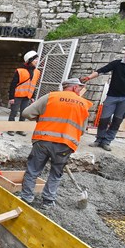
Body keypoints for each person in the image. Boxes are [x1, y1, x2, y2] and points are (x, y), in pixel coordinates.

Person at [19, 78, 92, 209]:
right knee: (56, 173)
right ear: (75, 88)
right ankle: (48, 201)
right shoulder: (84, 104)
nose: (80, 90)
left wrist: (40, 118)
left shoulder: (50, 97)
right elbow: (81, 131)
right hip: (65, 144)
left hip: (43, 140)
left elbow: (26, 113)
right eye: (79, 88)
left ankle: (26, 197)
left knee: (33, 170)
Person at [81, 45, 125, 151]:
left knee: (117, 120)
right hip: (112, 96)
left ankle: (107, 141)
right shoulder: (117, 63)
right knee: (104, 119)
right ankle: (99, 139)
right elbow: (102, 70)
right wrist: (88, 77)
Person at [7, 50, 41, 136]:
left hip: (27, 96)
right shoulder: (20, 71)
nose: (37, 61)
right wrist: (11, 97)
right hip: (17, 96)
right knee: (13, 112)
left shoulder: (37, 72)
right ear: (30, 60)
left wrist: (33, 96)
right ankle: (10, 129)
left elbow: (33, 85)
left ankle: (20, 129)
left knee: (24, 113)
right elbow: (13, 84)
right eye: (35, 59)